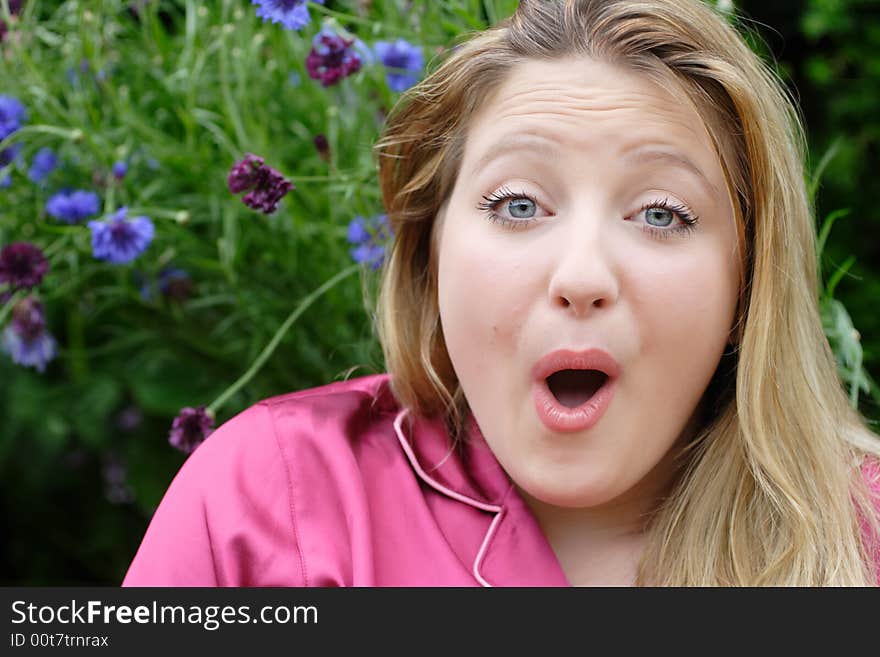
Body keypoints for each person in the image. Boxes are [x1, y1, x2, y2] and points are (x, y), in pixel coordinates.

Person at [123, 0, 880, 587]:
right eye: (519, 204)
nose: (581, 277)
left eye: (661, 213)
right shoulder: (264, 500)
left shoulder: (863, 534)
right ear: (428, 251)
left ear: (747, 287)